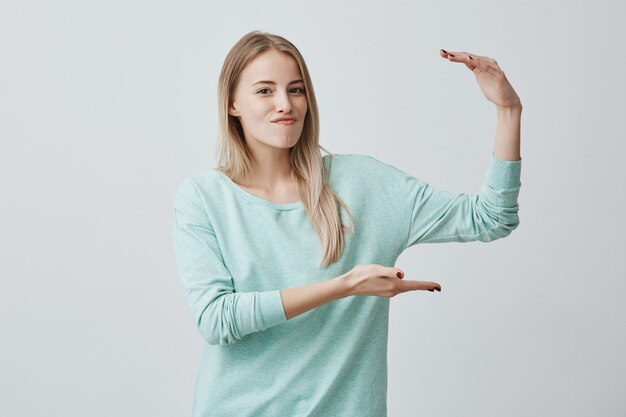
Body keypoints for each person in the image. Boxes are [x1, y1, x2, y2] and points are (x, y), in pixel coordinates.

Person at [172, 30, 522, 417]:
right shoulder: (204, 198)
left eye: (296, 89)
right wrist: (346, 285)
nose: (285, 104)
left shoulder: (364, 185)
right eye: (265, 91)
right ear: (233, 104)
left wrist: (508, 111)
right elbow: (216, 319)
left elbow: (490, 218)